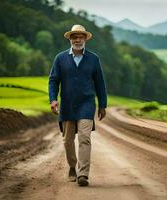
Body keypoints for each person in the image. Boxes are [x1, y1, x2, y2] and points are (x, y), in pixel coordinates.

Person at [48, 24, 107, 187]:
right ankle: (72, 166)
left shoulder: (93, 59)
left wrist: (102, 104)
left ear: (85, 39)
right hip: (67, 105)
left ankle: (83, 174)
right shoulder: (60, 58)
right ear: (70, 39)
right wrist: (53, 99)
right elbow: (53, 80)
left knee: (84, 138)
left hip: (87, 104)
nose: (78, 40)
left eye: (81, 37)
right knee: (67, 140)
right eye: (75, 37)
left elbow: (100, 83)